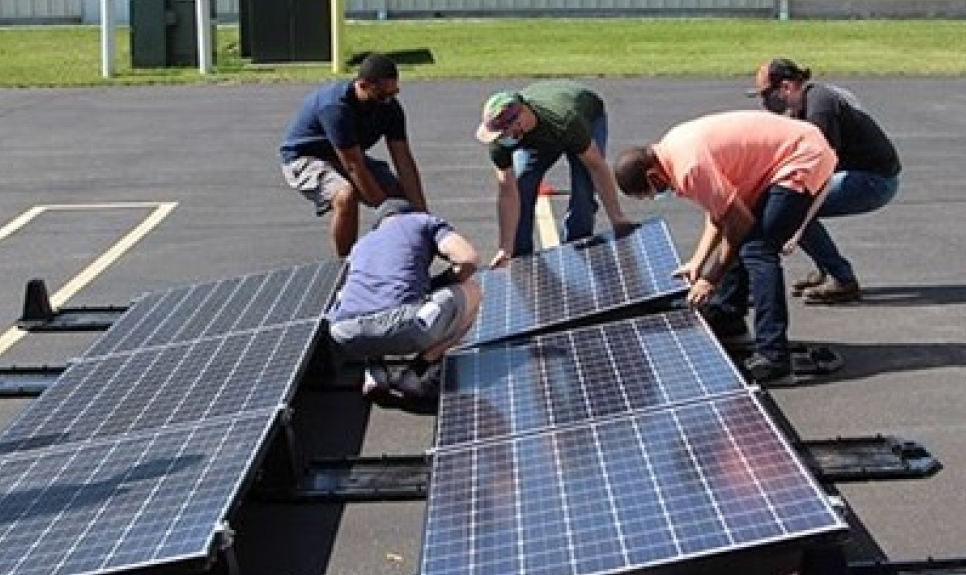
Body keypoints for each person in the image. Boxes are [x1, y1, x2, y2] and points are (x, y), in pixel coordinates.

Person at [612, 111, 838, 385]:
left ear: (652, 175)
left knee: (758, 250)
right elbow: (720, 212)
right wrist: (698, 261)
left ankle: (774, 358)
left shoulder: (689, 167)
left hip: (801, 156)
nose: (658, 194)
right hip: (786, 152)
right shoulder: (672, 149)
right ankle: (729, 316)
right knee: (743, 242)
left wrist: (710, 279)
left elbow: (739, 223)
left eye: (651, 191)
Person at [749, 58, 902, 304]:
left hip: (874, 181)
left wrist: (796, 222)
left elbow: (819, 167)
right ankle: (827, 268)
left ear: (786, 87)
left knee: (790, 207)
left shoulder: (820, 107)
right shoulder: (808, 102)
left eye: (767, 94)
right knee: (788, 203)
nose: (764, 102)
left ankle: (842, 279)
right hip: (862, 173)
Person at [326, 199, 482, 411]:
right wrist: (442, 281)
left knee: (369, 297)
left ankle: (375, 370)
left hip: (343, 334)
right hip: (405, 326)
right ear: (408, 214)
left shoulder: (361, 244)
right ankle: (416, 373)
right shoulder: (423, 222)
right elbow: (469, 259)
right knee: (472, 290)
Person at [473, 80, 636, 268]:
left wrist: (617, 217)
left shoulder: (566, 121)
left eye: (503, 133)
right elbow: (508, 192)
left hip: (583, 119)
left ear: (519, 121)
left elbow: (597, 167)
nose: (501, 139)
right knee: (522, 185)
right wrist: (505, 247)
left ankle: (577, 247)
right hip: (541, 137)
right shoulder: (500, 142)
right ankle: (520, 258)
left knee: (583, 190)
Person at [280, 53, 428, 258]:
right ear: (363, 85)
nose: (387, 101)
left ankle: (393, 261)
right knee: (345, 196)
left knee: (399, 200)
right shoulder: (335, 108)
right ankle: (345, 267)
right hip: (305, 158)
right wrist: (388, 213)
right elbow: (354, 167)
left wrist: (421, 216)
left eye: (394, 93)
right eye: (382, 95)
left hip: (347, 156)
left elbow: (404, 161)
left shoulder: (390, 108)